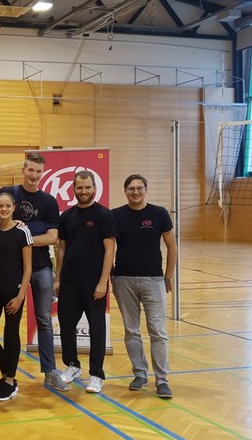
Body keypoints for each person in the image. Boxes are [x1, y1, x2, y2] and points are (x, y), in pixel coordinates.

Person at [0, 152, 66, 391]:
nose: (34, 175)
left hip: (41, 268)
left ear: (42, 173)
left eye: (38, 171)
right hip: (11, 271)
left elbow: (53, 237)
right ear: (23, 170)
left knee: (44, 320)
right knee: (8, 325)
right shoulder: (8, 194)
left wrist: (22, 238)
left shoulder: (48, 202)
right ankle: (8, 374)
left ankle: (50, 372)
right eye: (30, 170)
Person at [111, 174, 178, 399]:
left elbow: (172, 246)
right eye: (131, 188)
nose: (136, 192)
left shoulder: (159, 214)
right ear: (125, 191)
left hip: (153, 280)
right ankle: (139, 374)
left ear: (146, 190)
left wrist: (168, 276)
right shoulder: (116, 215)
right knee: (131, 330)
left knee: (157, 331)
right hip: (123, 280)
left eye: (140, 188)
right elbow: (108, 247)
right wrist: (110, 274)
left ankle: (162, 379)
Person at [53, 171, 117, 393]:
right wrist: (58, 278)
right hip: (69, 281)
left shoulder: (104, 215)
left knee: (97, 328)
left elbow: (109, 250)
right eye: (79, 187)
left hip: (93, 283)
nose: (83, 191)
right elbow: (61, 249)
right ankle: (72, 365)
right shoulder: (66, 216)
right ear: (73, 189)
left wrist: (103, 282)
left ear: (94, 188)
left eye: (87, 187)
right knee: (66, 325)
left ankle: (96, 374)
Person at [0, 191, 32, 401]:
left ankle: (10, 381)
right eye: (0, 206)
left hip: (14, 292)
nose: (3, 209)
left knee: (11, 334)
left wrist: (21, 296)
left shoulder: (23, 232)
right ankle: (6, 374)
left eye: (7, 206)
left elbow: (28, 267)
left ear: (14, 208)